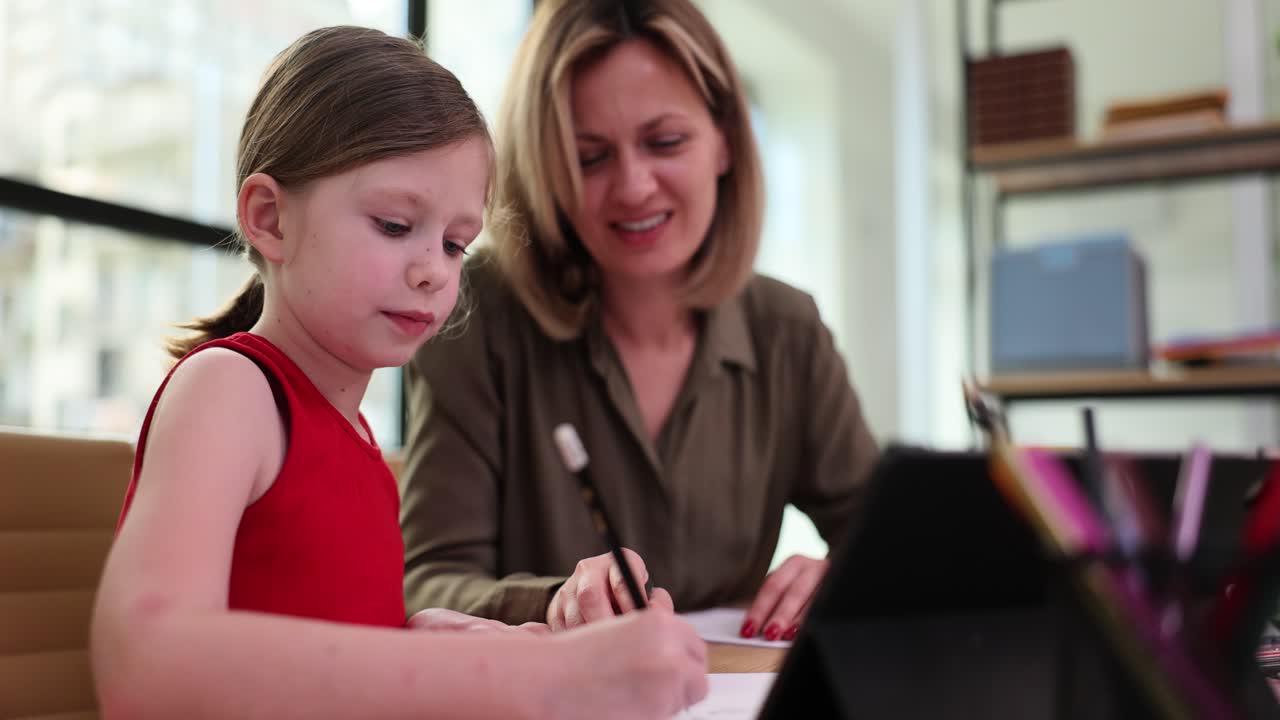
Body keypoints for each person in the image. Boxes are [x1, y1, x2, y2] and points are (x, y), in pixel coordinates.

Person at [90, 26, 707, 720]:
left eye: (454, 243)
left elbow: (321, 641)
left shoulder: (359, 442)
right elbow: (145, 665)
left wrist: (441, 635)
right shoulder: (232, 390)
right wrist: (531, 678)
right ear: (270, 219)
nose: (433, 271)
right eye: (392, 225)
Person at [400, 0, 879, 645]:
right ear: (548, 172)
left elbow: (887, 543)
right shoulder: (477, 314)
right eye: (589, 157)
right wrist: (556, 603)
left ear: (726, 142)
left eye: (665, 142)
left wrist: (845, 575)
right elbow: (428, 581)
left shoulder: (786, 327)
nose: (633, 187)